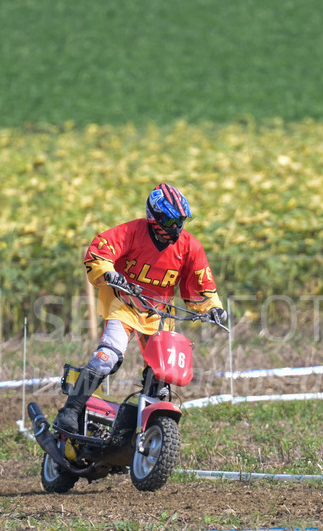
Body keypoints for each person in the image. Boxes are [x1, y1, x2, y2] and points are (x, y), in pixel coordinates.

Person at [53, 182, 227, 434]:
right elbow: (100, 251)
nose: (176, 229)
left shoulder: (190, 246)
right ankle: (70, 412)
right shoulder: (132, 232)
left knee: (163, 375)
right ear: (154, 218)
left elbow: (202, 283)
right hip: (123, 304)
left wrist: (213, 307)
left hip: (159, 313)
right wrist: (108, 273)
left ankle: (146, 432)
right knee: (107, 358)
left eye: (180, 222)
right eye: (170, 222)